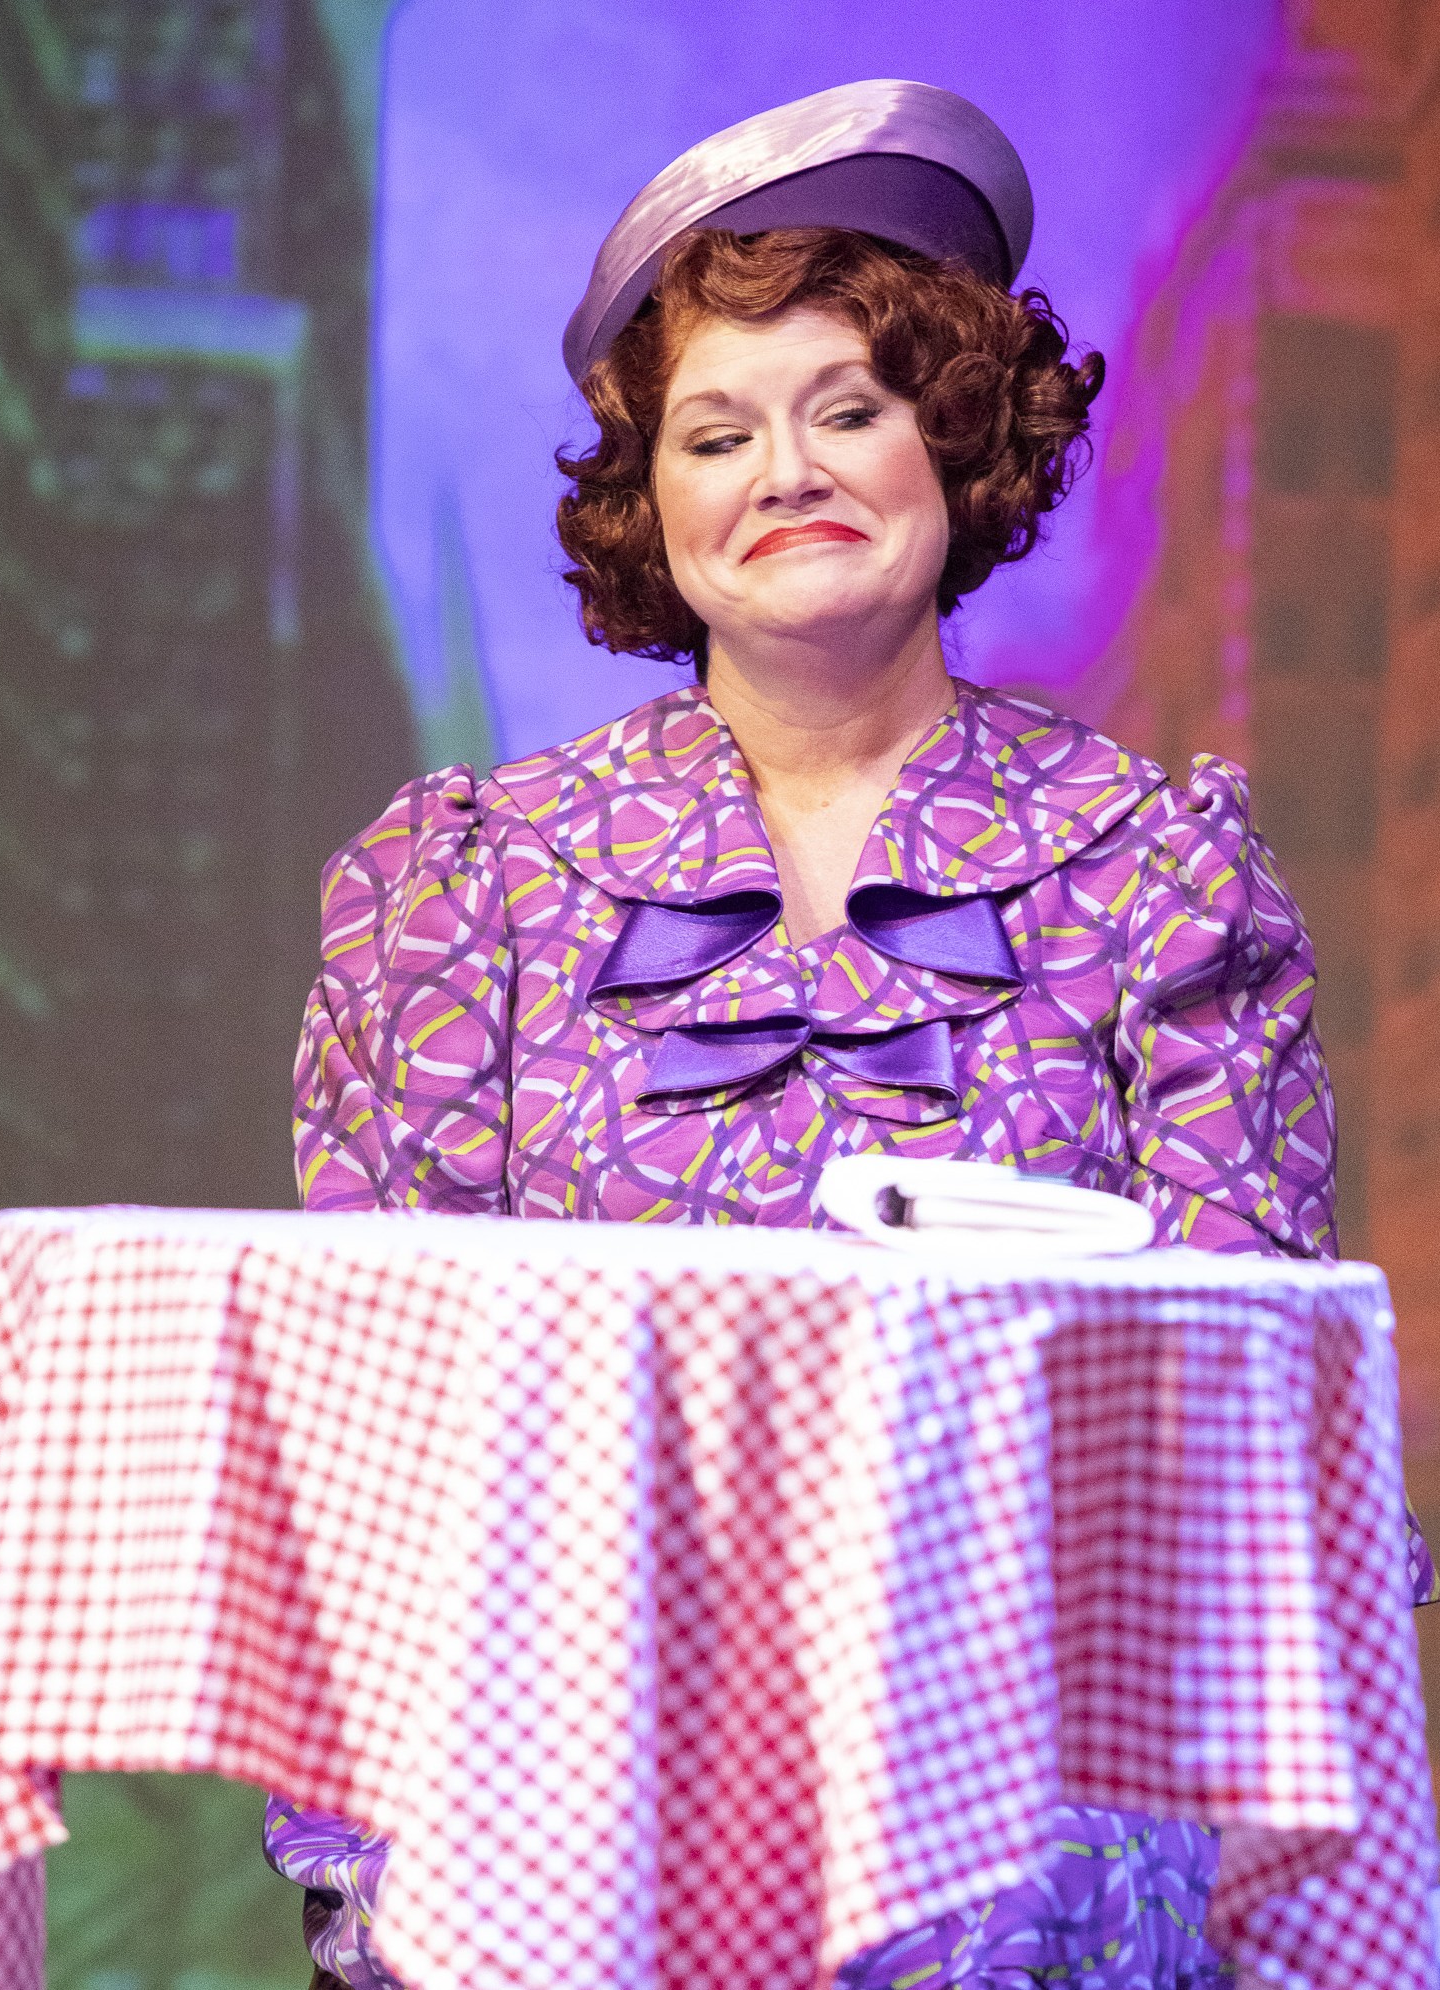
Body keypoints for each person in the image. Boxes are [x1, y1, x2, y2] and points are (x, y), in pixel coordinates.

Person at [267, 80, 1431, 1990]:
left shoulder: (1157, 872)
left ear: (953, 439)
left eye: (851, 408)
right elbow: (371, 1429)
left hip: (1038, 1859)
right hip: (569, 1848)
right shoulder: (465, 888)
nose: (785, 471)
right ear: (650, 501)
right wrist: (364, 1890)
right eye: (717, 432)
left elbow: (1246, 1414)